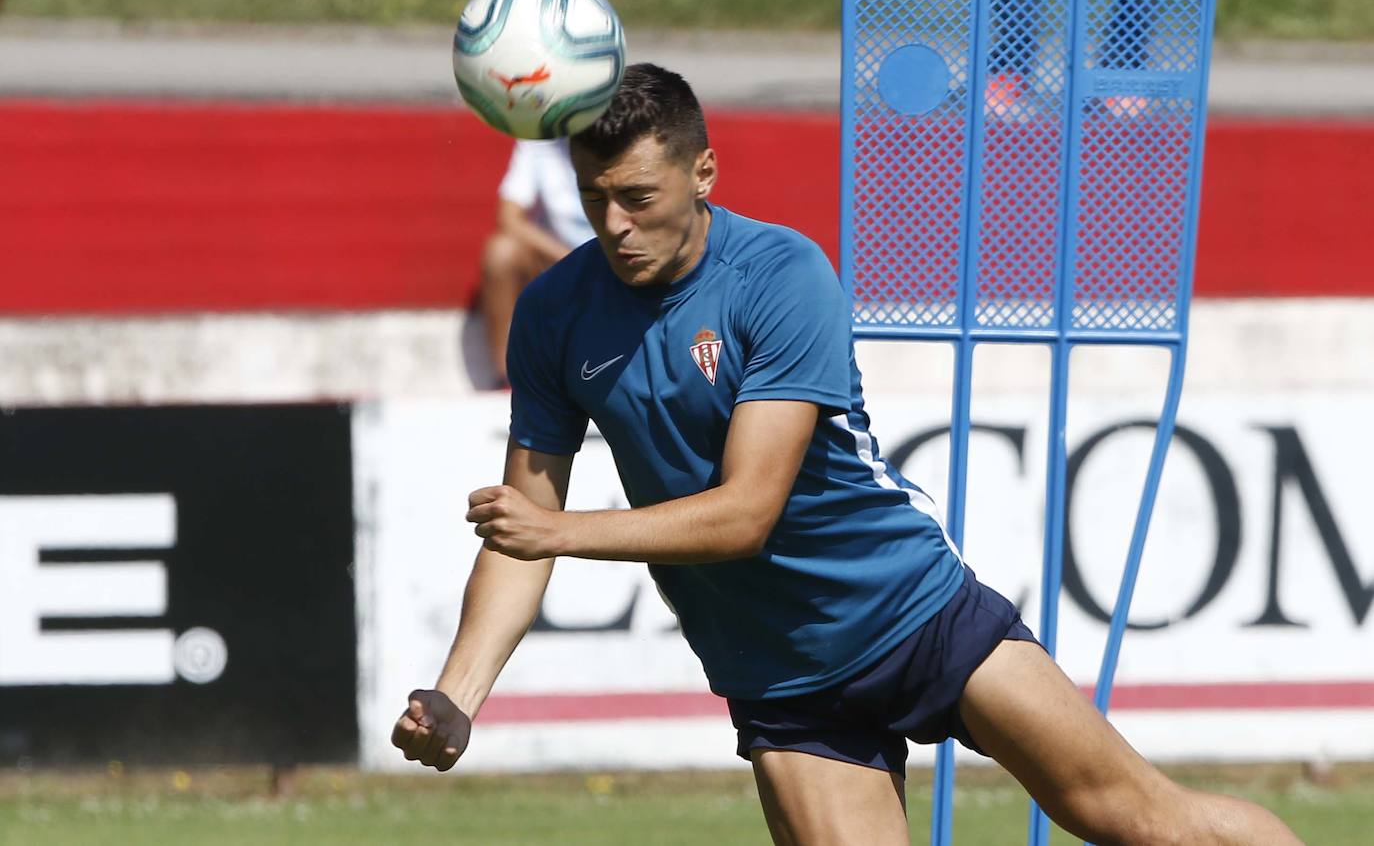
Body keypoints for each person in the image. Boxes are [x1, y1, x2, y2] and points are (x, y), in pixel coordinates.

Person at [393, 64, 1301, 846]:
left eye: (639, 197)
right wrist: (459, 693)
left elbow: (747, 512)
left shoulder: (783, 276)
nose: (616, 223)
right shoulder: (557, 311)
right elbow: (522, 537)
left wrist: (558, 531)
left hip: (910, 610)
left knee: (1145, 823)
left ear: (703, 172)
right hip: (778, 675)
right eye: (595, 200)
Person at [480, 137, 596, 387]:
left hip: (620, 262)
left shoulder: (628, 134)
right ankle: (509, 382)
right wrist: (571, 259)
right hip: (561, 267)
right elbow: (508, 217)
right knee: (502, 252)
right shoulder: (540, 143)